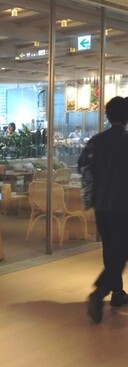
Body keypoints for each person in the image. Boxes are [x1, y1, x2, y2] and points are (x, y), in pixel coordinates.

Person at [78, 96, 128, 323]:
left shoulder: (95, 141)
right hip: (123, 206)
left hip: (102, 206)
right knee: (121, 252)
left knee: (110, 250)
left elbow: (83, 167)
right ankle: (99, 292)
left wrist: (90, 199)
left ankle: (117, 293)